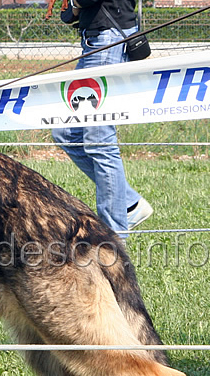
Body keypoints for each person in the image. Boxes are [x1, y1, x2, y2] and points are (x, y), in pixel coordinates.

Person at [52, 0, 153, 237]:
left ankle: (115, 235)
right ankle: (129, 204)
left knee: (99, 138)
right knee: (67, 133)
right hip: (98, 39)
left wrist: (76, 4)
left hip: (108, 40)